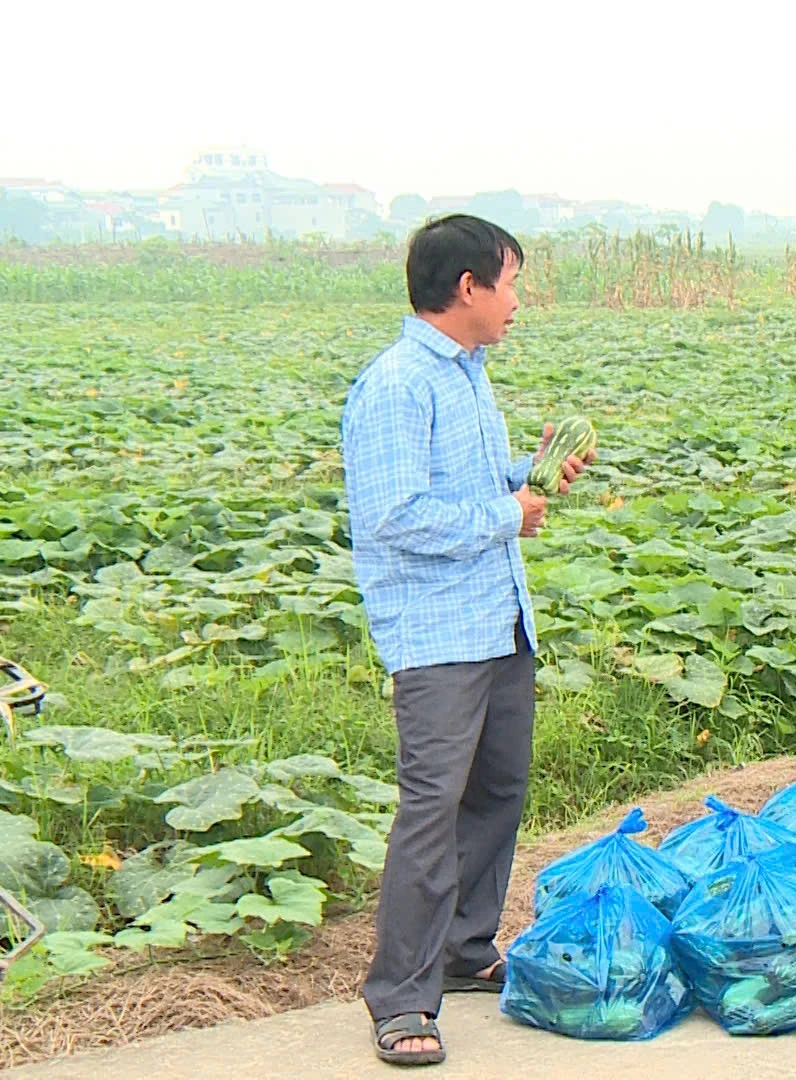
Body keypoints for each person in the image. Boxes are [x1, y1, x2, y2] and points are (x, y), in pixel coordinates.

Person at [340, 214, 592, 1064]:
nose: (519, 301)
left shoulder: (466, 374)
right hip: (438, 635)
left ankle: (463, 948)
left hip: (497, 619)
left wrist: (528, 476)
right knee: (432, 809)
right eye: (511, 283)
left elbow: (466, 485)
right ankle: (401, 998)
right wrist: (507, 513)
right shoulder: (399, 384)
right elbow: (394, 515)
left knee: (497, 791)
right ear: (467, 288)